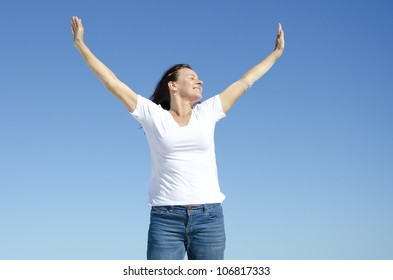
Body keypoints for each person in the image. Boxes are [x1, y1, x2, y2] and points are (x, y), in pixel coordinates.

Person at [71, 16, 284, 260]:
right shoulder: (153, 116)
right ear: (173, 86)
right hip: (165, 219)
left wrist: (276, 54)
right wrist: (81, 45)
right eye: (191, 77)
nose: (199, 80)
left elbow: (245, 81)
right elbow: (112, 82)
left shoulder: (208, 112)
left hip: (209, 218)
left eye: (199, 78)